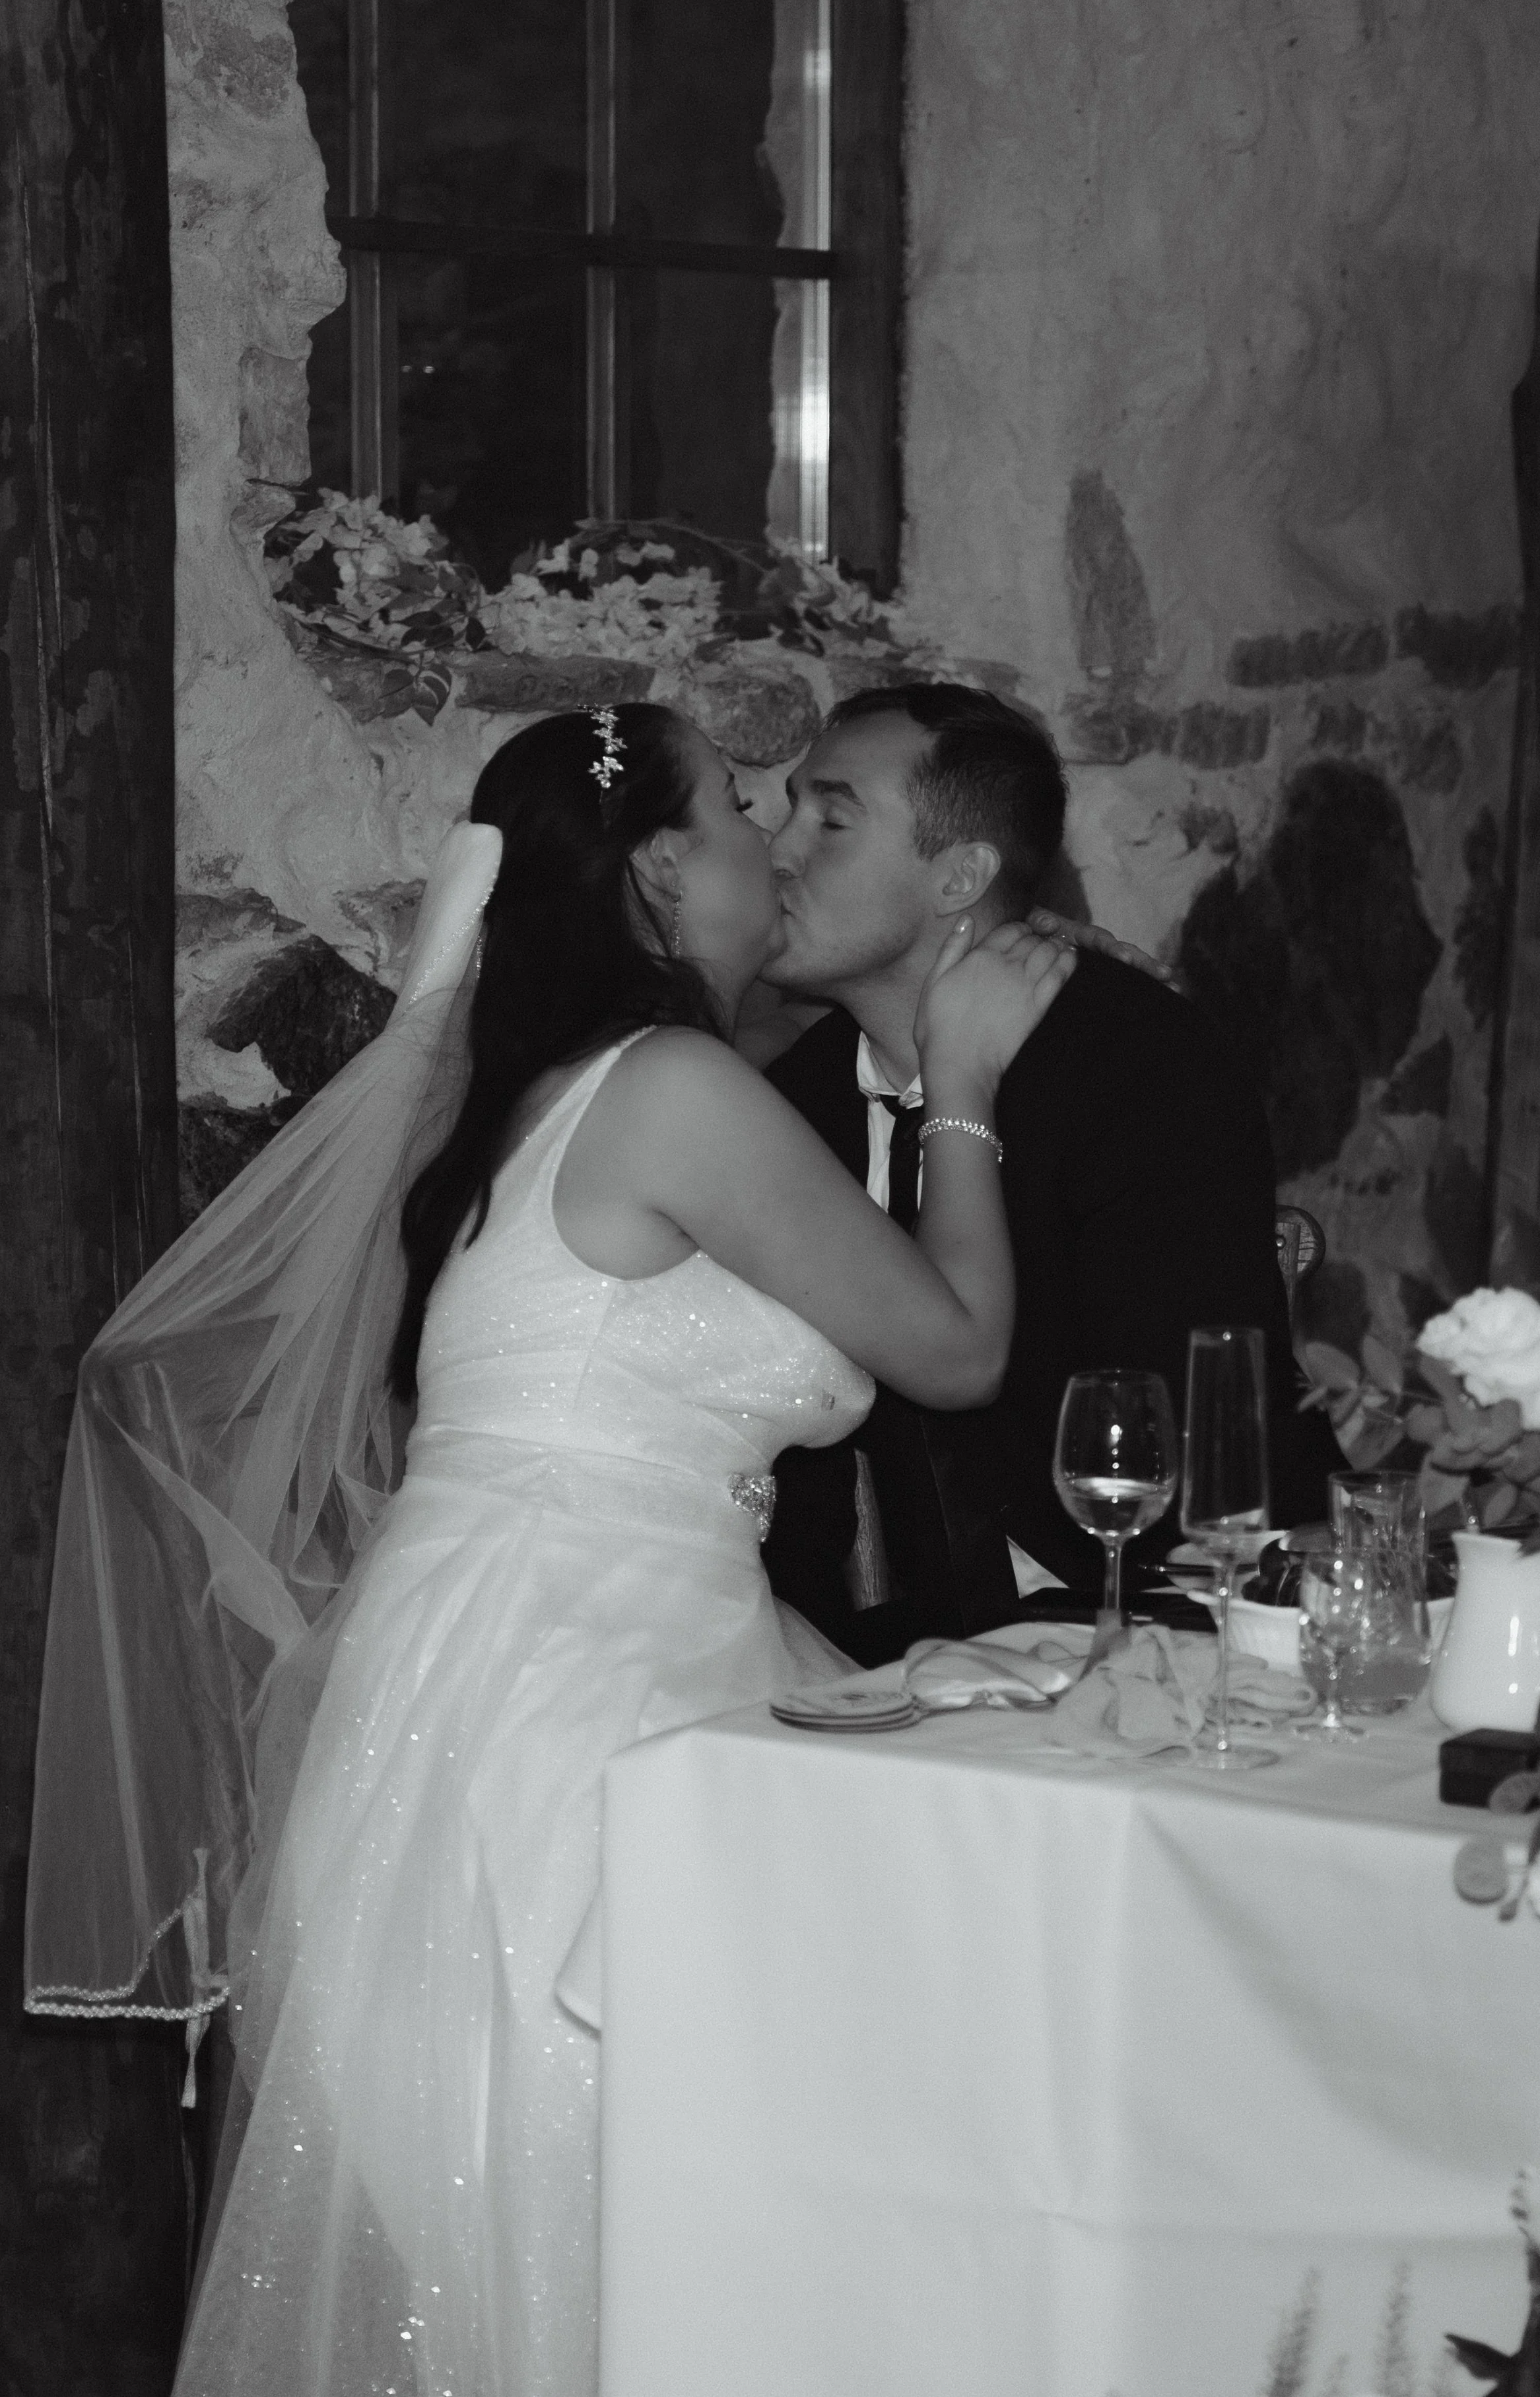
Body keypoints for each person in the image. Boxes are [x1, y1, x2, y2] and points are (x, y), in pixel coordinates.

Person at [24, 702, 1073, 2397]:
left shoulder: (522, 1101)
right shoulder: (670, 1088)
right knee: (620, 2242)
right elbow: (953, 1350)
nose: (770, 841)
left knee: (551, 2252)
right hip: (577, 1708)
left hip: (479, 1681)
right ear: (660, 866)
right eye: (737, 810)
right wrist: (958, 1083)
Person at [758, 681, 1343, 1665]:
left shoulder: (1138, 1067)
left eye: (831, 820)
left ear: (959, 876)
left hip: (1160, 1619)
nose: (780, 851)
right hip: (892, 1650)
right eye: (789, 813)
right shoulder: (791, 1101)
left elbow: (1184, 1438)